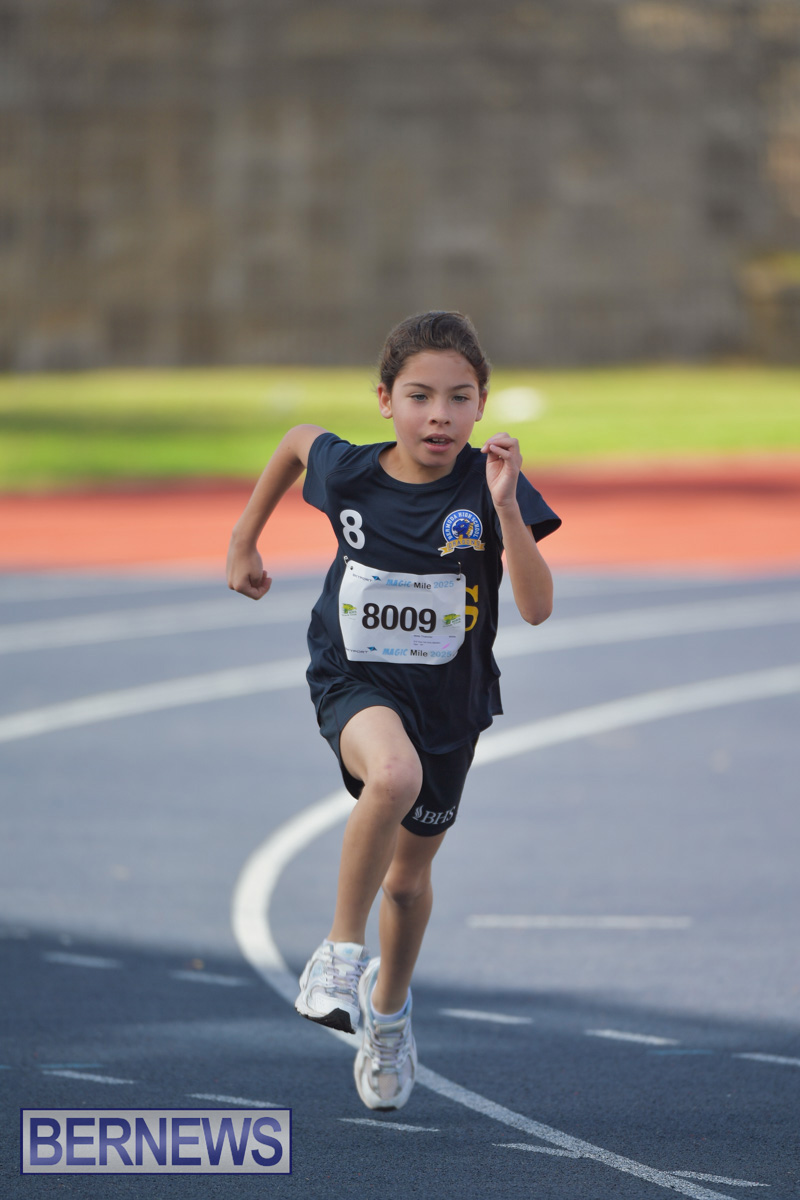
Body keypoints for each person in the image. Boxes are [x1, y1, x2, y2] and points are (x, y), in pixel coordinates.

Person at [227, 311, 561, 1111]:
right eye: (419, 397)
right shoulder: (351, 471)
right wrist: (243, 539)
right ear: (386, 400)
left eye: (458, 398)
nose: (438, 415)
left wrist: (507, 510)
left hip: (450, 702)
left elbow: (537, 607)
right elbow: (298, 441)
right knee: (393, 775)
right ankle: (339, 955)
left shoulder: (489, 485)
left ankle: (389, 1012)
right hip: (355, 679)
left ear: (481, 405)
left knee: (408, 885)